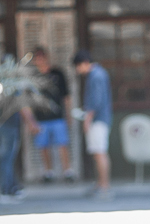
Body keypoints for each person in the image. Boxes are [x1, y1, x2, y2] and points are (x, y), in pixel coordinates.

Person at [29, 46, 72, 183]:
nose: (40, 59)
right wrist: (30, 121)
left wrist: (68, 114)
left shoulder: (58, 73)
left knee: (62, 144)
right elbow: (27, 100)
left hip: (58, 116)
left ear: (46, 57)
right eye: (37, 57)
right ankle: (48, 172)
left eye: (42, 56)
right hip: (40, 118)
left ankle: (67, 172)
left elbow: (66, 96)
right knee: (43, 146)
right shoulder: (32, 77)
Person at [73, 50, 112, 193]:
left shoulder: (96, 76)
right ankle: (100, 183)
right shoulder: (97, 74)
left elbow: (96, 101)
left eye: (78, 66)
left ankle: (104, 185)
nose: (78, 70)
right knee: (97, 153)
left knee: (100, 152)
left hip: (98, 120)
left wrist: (87, 120)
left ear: (84, 63)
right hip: (99, 119)